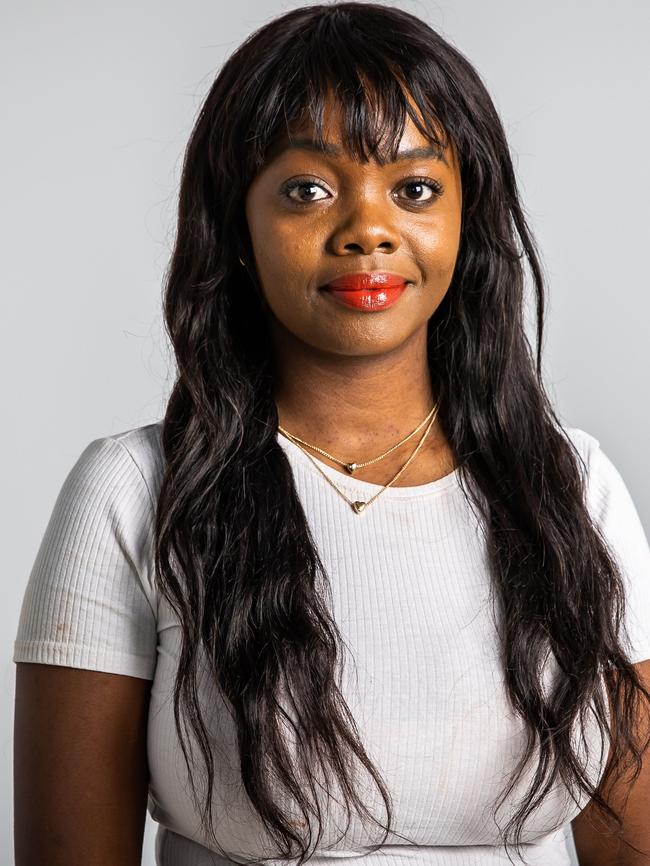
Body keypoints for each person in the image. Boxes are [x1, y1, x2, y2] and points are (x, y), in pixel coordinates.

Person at [12, 3, 650, 865]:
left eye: (415, 188)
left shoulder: (573, 485)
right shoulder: (134, 490)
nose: (367, 229)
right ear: (238, 225)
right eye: (307, 189)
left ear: (470, 219)